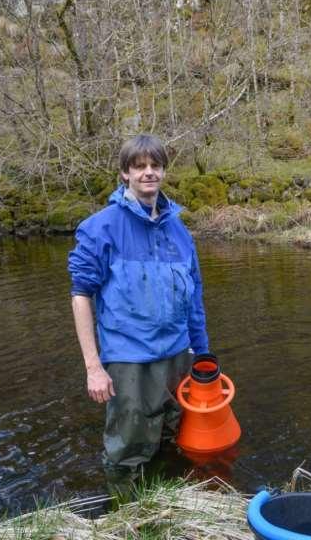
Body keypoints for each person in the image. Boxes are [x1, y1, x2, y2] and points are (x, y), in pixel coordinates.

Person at [68, 134, 210, 481]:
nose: (149, 172)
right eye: (139, 166)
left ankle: (165, 512)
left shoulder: (180, 232)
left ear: (163, 171)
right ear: (125, 174)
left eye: (155, 165)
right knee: (128, 451)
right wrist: (93, 367)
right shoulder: (100, 227)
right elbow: (81, 296)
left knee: (171, 438)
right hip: (128, 359)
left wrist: (203, 355)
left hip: (178, 355)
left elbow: (194, 297)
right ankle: (126, 519)